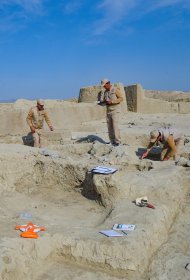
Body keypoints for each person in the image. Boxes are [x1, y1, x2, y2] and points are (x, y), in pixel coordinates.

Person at [100, 78, 123, 146]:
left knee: (115, 127)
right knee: (109, 127)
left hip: (115, 110)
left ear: (108, 83)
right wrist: (103, 102)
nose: (104, 87)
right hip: (108, 110)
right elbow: (105, 100)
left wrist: (112, 101)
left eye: (105, 85)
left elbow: (121, 98)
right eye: (103, 86)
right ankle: (112, 141)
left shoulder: (115, 89)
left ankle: (118, 141)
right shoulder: (105, 92)